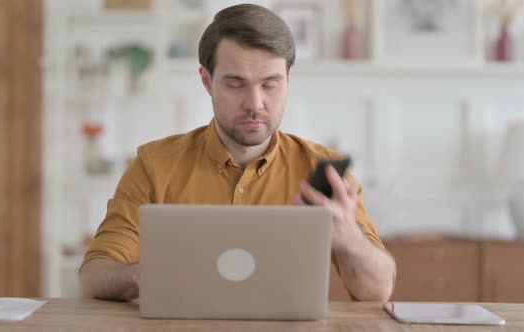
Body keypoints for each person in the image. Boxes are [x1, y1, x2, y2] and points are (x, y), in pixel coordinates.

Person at [79, 3, 395, 302]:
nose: (255, 103)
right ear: (207, 81)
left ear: (288, 81)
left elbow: (377, 292)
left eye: (270, 84)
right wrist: (145, 276)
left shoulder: (322, 171)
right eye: (235, 84)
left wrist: (349, 238)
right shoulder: (153, 165)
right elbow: (93, 278)